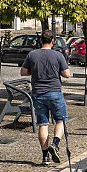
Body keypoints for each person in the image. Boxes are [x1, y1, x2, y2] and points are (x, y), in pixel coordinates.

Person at [20, 30, 72, 165]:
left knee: (43, 124)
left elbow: (23, 72)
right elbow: (66, 74)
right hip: (55, 92)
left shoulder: (32, 54)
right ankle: (55, 144)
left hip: (38, 93)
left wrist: (35, 70)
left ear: (40, 41)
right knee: (60, 120)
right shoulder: (58, 55)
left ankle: (45, 157)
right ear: (53, 41)